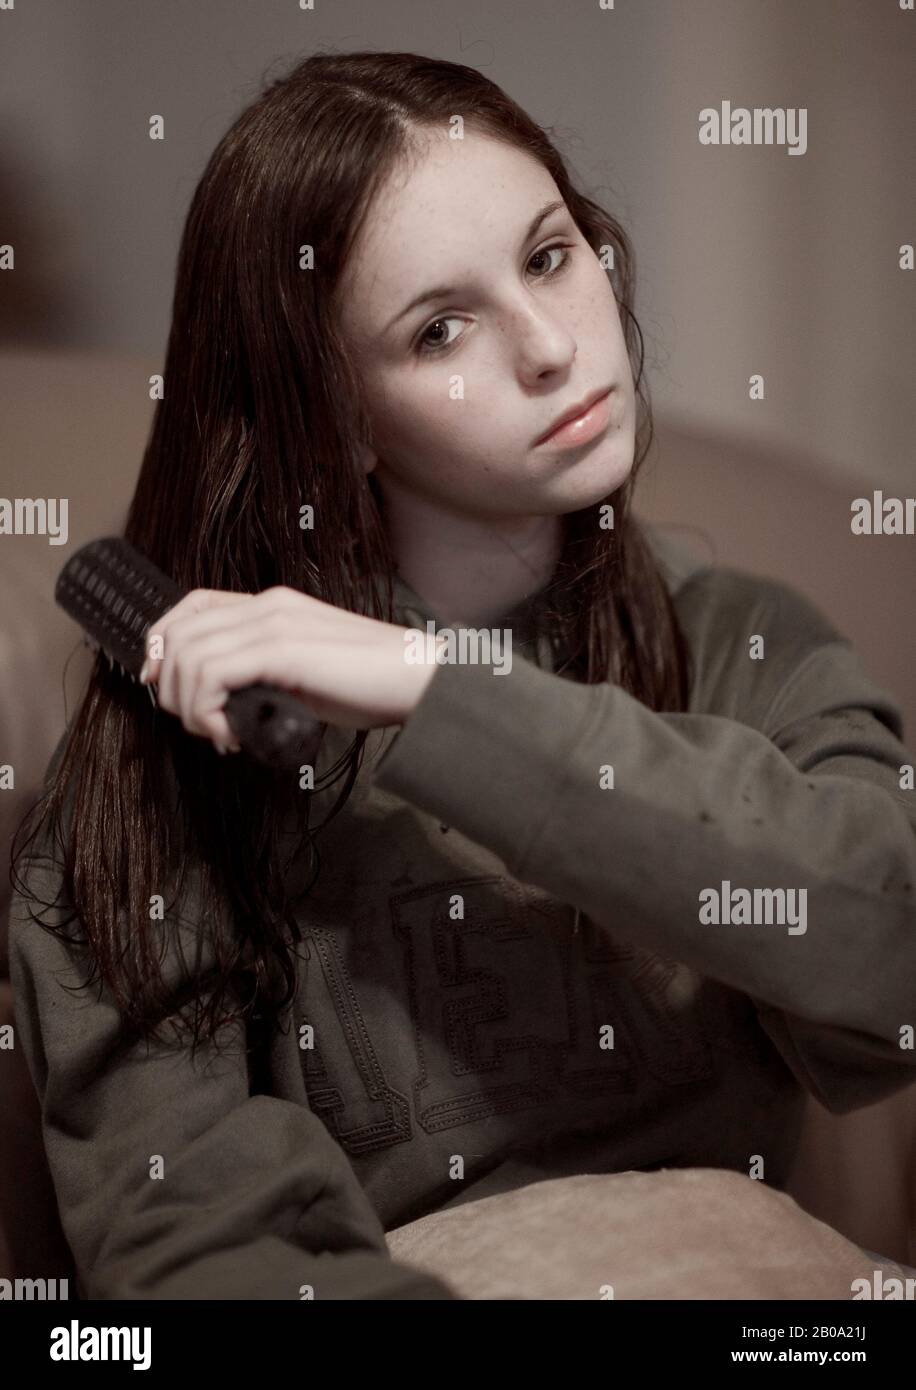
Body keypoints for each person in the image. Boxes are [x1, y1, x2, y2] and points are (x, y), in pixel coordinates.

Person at [9, 50, 916, 1301]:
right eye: (440, 328)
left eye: (550, 256)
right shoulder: (169, 766)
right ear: (333, 417)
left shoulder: (745, 647)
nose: (551, 347)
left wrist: (428, 686)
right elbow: (201, 1249)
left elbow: (883, 950)